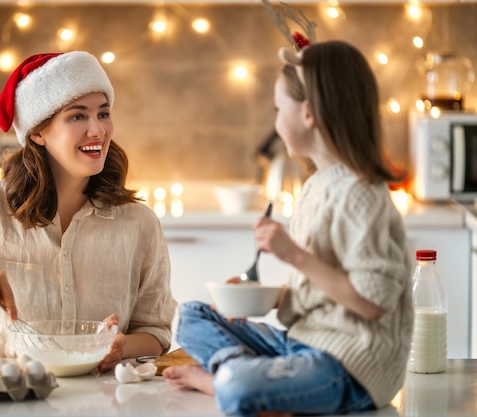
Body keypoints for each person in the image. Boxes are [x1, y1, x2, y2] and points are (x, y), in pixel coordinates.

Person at [163, 40, 413, 416]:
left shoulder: (364, 196)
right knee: (189, 316)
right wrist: (265, 299)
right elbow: (321, 290)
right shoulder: (317, 185)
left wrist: (293, 254)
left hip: (348, 367)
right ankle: (253, 376)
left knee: (238, 386)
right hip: (301, 343)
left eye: (279, 109)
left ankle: (229, 379)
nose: (276, 121)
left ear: (308, 113)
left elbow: (372, 303)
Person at [0, 51, 177, 372]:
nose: (97, 130)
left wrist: (121, 346)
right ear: (38, 132)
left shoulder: (139, 224)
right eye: (77, 116)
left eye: (103, 113)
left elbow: (155, 332)